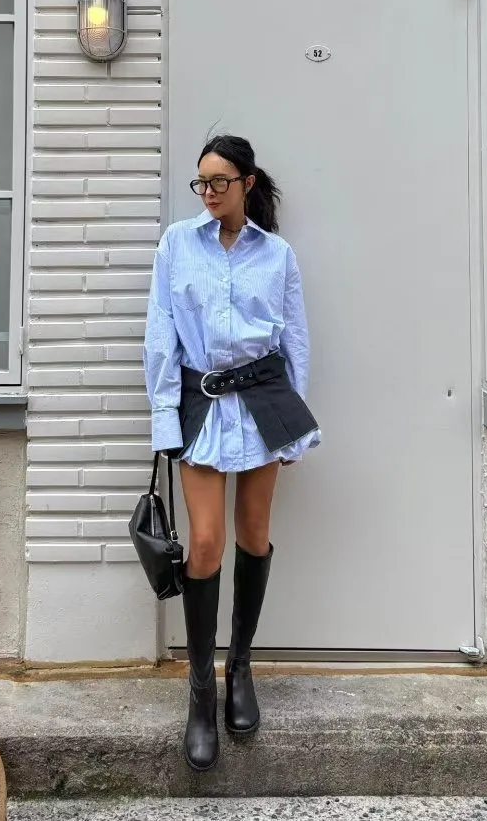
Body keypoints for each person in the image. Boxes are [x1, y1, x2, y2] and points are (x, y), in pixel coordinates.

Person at [143, 134, 321, 772]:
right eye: (202, 182)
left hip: (263, 401)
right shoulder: (176, 244)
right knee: (206, 542)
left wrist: (294, 424)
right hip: (201, 404)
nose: (209, 192)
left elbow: (295, 339)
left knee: (253, 534)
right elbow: (160, 334)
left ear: (247, 182)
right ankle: (200, 692)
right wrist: (164, 417)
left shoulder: (276, 255)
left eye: (220, 181)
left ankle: (239, 668)